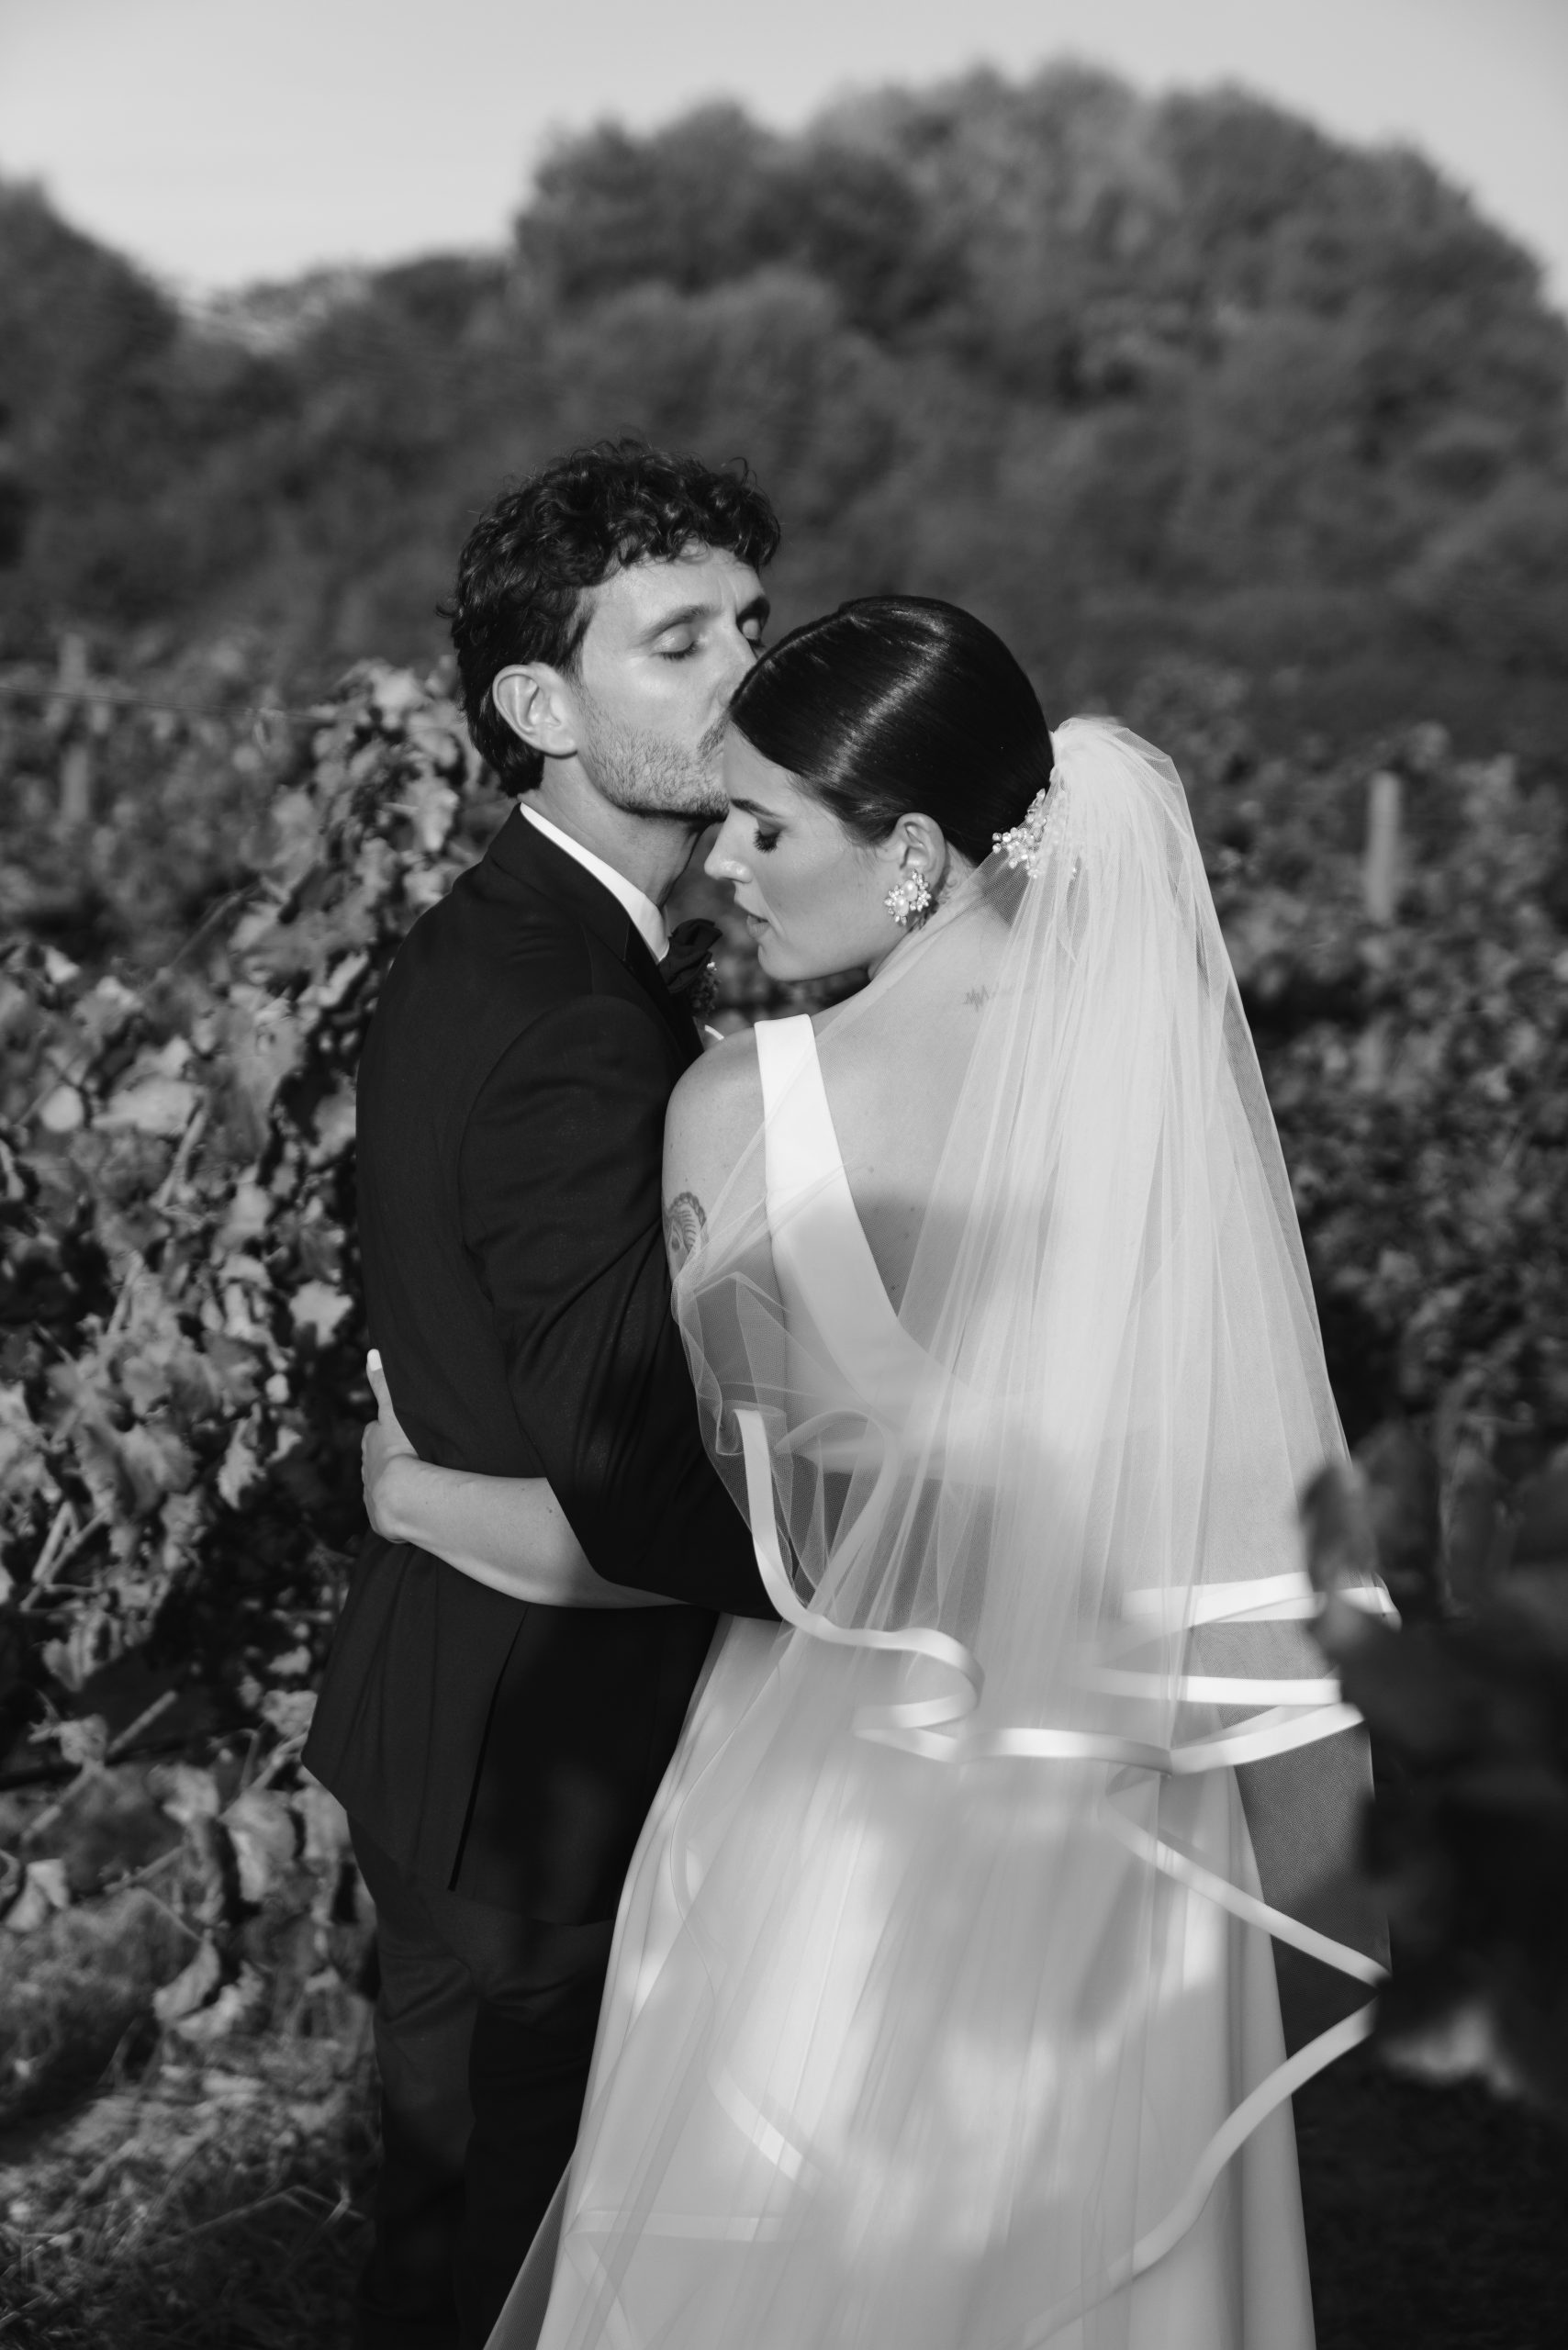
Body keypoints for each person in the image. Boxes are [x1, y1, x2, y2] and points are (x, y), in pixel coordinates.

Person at [362, 599, 1388, 2349]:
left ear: (910, 852)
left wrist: (420, 1498)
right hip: (1110, 1824)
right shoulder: (1157, 1117)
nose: (724, 865)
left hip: (825, 1804)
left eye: (765, 829)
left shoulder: (735, 1110)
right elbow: (1231, 1531)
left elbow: (733, 1531)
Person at [303, 441, 784, 2350]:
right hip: (544, 1777)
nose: (746, 668)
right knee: (517, 2266)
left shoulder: (523, 939)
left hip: (456, 1717)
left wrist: (415, 1494)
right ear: (540, 704)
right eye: (679, 641)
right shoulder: (578, 1014)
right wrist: (900, 1546)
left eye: (752, 621)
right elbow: (636, 1502)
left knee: (459, 2246)